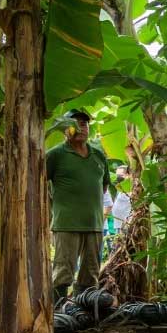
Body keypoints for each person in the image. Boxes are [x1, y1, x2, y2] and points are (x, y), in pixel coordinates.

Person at [47, 108, 111, 300]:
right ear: (65, 130)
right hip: (66, 223)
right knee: (63, 272)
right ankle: (57, 315)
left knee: (90, 273)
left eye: (84, 124)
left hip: (94, 224)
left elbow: (104, 185)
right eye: (75, 124)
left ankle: (82, 313)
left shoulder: (98, 156)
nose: (81, 128)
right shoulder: (55, 155)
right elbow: (38, 183)